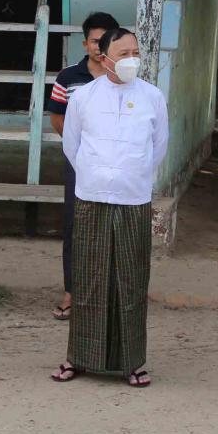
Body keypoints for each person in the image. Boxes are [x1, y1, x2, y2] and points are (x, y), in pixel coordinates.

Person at [52, 27, 168, 387]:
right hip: (92, 197)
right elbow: (72, 145)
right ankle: (79, 358)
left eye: (136, 52)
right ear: (104, 59)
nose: (132, 60)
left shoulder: (152, 97)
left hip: (133, 198)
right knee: (89, 280)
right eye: (123, 54)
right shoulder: (84, 97)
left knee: (131, 280)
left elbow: (158, 146)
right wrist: (97, 174)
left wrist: (132, 175)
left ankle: (132, 362)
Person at [46, 11, 117, 320]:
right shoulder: (68, 77)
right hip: (80, 165)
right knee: (76, 225)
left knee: (114, 226)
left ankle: (108, 295)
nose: (99, 47)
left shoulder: (124, 77)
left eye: (105, 41)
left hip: (118, 166)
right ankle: (72, 293)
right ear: (85, 43)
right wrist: (83, 150)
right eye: (94, 41)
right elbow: (57, 119)